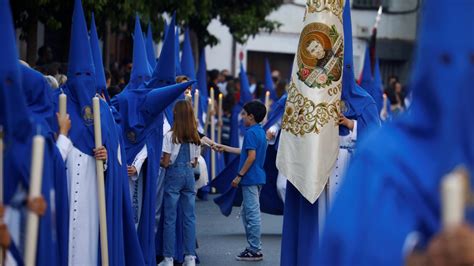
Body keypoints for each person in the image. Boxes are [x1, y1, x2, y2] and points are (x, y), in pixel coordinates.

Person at [318, 0, 474, 265]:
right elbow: (353, 243)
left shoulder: (366, 102)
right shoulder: (385, 158)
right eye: (449, 59)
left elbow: (367, 125)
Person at [214, 100, 268, 261]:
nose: (242, 117)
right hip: (257, 177)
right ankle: (253, 247)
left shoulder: (250, 133)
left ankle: (255, 249)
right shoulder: (259, 131)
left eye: (244, 114)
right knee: (248, 213)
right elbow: (246, 152)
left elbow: (250, 157)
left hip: (250, 178)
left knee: (251, 214)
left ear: (251, 117)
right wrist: (225, 147)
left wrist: (239, 176)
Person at [159, 100, 201, 266]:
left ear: (175, 114)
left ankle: (168, 258)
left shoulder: (170, 135)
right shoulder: (195, 135)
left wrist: (159, 161)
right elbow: (195, 162)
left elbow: (166, 161)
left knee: (170, 218)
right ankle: (190, 257)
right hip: (189, 174)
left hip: (174, 174)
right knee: (189, 217)